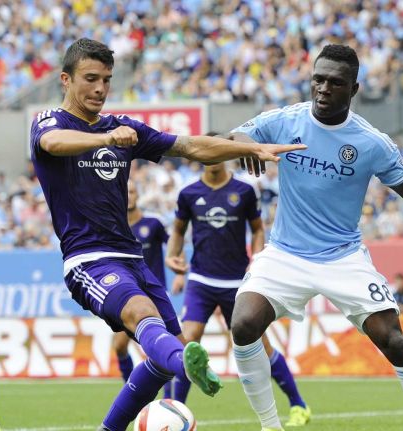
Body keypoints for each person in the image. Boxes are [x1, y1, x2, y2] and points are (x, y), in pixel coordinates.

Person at [29, 38, 304, 431]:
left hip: (134, 260)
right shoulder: (51, 122)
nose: (100, 89)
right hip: (88, 259)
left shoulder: (122, 129)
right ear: (65, 80)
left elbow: (190, 146)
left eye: (106, 80)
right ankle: (189, 369)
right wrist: (107, 139)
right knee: (144, 317)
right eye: (90, 79)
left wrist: (246, 147)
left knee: (160, 357)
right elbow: (53, 144)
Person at [230, 44, 403, 431]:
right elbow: (238, 134)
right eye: (318, 79)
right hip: (285, 254)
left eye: (335, 82)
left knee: (393, 339)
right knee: (243, 323)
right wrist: (245, 145)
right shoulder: (286, 120)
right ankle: (270, 425)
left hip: (343, 258)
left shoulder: (370, 141)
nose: (324, 88)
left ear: (354, 89)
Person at [164, 157, 311, 426]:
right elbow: (177, 230)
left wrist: (257, 257)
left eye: (217, 153)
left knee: (261, 346)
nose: (211, 159)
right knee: (187, 342)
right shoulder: (188, 193)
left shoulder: (243, 191)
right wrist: (172, 256)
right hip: (201, 279)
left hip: (238, 282)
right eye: (205, 154)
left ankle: (298, 405)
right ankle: (175, 413)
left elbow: (257, 229)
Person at [113, 180, 169, 382]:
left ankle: (168, 396)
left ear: (139, 195)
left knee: (157, 348)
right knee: (119, 346)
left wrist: (179, 273)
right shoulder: (113, 227)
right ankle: (130, 389)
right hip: (126, 294)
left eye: (133, 191)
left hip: (154, 294)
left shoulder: (153, 223)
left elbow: (173, 245)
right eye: (125, 192)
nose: (129, 196)